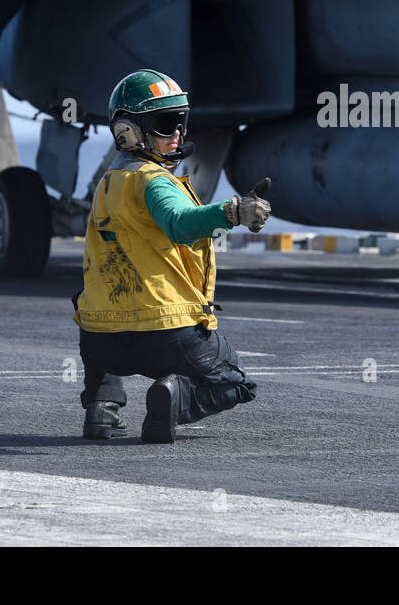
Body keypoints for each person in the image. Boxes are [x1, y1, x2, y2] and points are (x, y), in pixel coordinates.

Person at [74, 69, 273, 443]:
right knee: (235, 381)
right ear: (129, 132)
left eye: (181, 122)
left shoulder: (106, 183)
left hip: (101, 336)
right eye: (166, 124)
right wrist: (233, 213)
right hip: (163, 334)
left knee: (98, 308)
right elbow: (180, 223)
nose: (178, 134)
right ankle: (175, 397)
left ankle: (102, 407)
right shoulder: (153, 181)